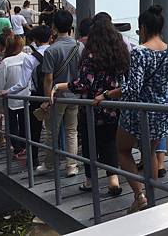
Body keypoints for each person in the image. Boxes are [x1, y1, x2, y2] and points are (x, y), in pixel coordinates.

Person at [93, 5, 168, 213]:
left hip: (137, 112)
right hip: (160, 112)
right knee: (149, 153)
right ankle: (150, 199)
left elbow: (133, 88)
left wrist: (107, 95)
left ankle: (139, 196)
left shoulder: (140, 52)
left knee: (122, 150)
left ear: (143, 27)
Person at [51, 16, 130, 195]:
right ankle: (114, 181)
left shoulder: (91, 55)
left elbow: (83, 84)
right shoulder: (120, 53)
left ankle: (90, 181)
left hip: (92, 106)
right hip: (113, 105)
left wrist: (60, 86)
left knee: (89, 145)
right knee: (109, 143)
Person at [37, 10, 83, 177]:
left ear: (54, 27)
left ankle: (49, 164)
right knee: (72, 130)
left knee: (52, 131)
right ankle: (72, 166)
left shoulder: (51, 50)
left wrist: (47, 98)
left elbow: (48, 79)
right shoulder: (80, 46)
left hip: (56, 97)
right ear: (71, 26)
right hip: (75, 95)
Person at [5, 25, 52, 168]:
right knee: (61, 128)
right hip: (57, 94)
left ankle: (34, 159)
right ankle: (66, 160)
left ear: (35, 40)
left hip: (36, 96)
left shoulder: (31, 58)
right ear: (50, 37)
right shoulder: (55, 51)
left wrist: (7, 92)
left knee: (35, 128)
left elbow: (22, 83)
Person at [0, 36, 30, 158]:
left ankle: (17, 149)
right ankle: (25, 146)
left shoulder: (6, 62)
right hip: (27, 96)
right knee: (25, 123)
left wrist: (0, 91)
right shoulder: (27, 58)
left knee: (12, 124)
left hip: (10, 97)